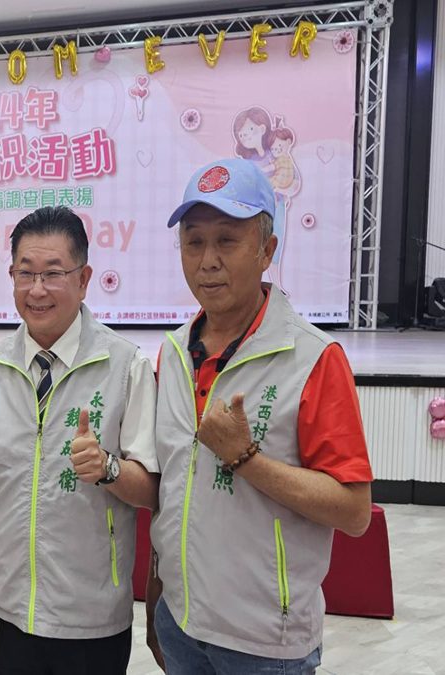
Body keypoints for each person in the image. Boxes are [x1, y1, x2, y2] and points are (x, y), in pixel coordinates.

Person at [146, 159, 373, 673]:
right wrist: (158, 593)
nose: (208, 261)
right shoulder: (173, 353)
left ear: (267, 250)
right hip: (180, 623)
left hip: (265, 644)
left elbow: (354, 511)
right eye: (194, 242)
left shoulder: (312, 358)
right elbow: (173, 488)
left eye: (227, 241)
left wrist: (246, 459)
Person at [0, 207, 159, 674]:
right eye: (25, 274)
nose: (37, 290)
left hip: (91, 618)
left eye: (53, 273)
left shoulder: (124, 365)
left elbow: (150, 490)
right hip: (13, 609)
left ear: (84, 279)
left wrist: (107, 468)